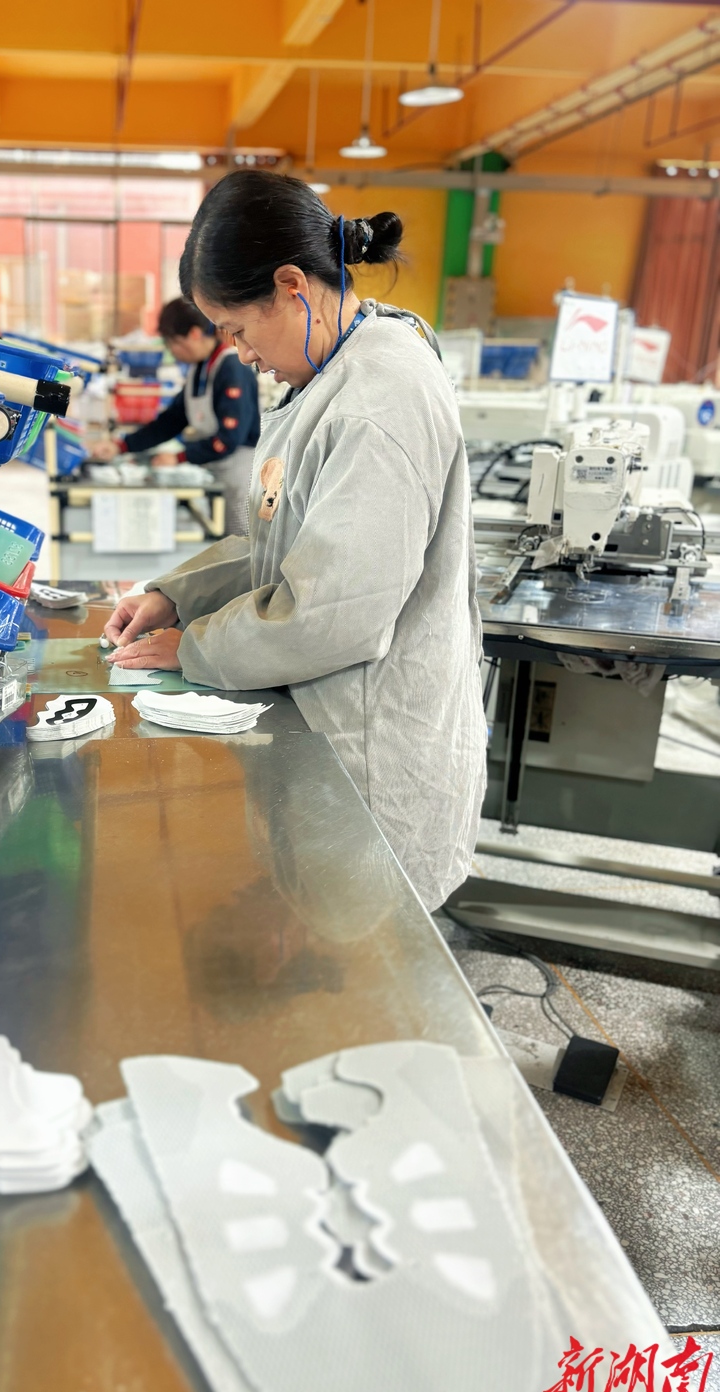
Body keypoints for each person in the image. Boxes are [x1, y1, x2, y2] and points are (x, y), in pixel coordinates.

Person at [102, 170, 487, 912]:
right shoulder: (328, 372)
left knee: (365, 937)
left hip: (373, 748)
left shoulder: (379, 396)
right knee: (319, 919)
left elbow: (331, 611)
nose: (240, 354)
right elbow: (285, 539)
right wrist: (175, 594)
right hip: (327, 726)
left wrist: (195, 647)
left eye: (239, 330)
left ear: (291, 286)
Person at [89, 296, 259, 535]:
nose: (171, 351)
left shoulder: (231, 367)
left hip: (239, 474)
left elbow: (230, 438)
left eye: (172, 343)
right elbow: (170, 422)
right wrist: (121, 446)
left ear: (194, 334)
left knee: (243, 544)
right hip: (216, 471)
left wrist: (180, 457)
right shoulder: (200, 369)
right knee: (221, 543)